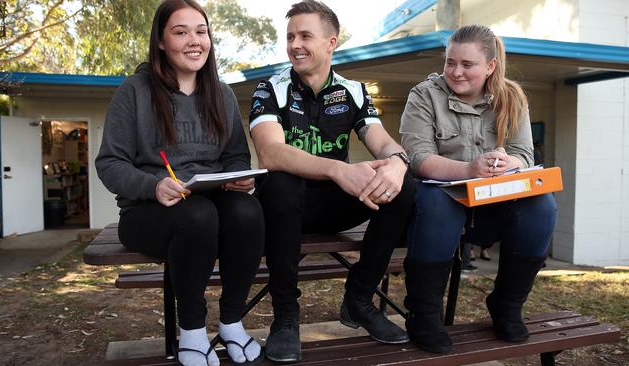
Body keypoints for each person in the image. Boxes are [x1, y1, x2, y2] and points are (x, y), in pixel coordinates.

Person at [95, 1, 264, 365]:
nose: (194, 40)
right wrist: (153, 186)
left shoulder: (222, 93)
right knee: (198, 215)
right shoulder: (135, 91)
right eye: (180, 31)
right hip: (148, 213)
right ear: (160, 41)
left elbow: (235, 155)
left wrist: (239, 177)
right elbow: (109, 163)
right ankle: (191, 331)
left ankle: (233, 321)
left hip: (209, 202)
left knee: (248, 211)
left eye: (201, 31)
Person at [248, 0, 415, 362]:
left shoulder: (353, 91)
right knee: (279, 182)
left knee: (403, 188)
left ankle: (358, 299)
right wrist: (339, 169)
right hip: (283, 207)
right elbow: (270, 154)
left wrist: (399, 163)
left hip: (334, 203)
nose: (295, 44)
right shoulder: (269, 88)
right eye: (290, 36)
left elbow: (381, 141)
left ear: (331, 43)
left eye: (305, 35)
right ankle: (286, 317)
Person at [399, 24, 557, 354]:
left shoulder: (511, 97)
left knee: (541, 205)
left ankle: (507, 305)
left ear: (490, 66)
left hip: (492, 204)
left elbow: (524, 155)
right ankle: (424, 314)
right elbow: (418, 157)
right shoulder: (424, 95)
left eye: (467, 65)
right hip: (435, 210)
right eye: (450, 62)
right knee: (437, 200)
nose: (455, 72)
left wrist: (506, 161)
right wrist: (469, 170)